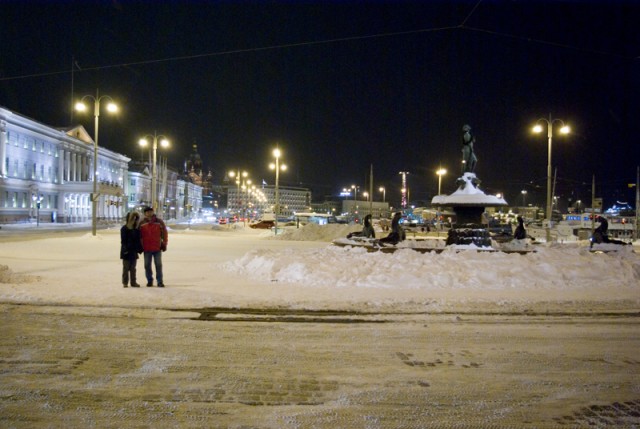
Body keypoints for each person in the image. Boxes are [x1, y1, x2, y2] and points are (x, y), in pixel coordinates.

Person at [140, 206, 168, 287]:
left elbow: (164, 233)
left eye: (150, 211)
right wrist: (139, 245)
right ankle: (149, 280)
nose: (149, 213)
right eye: (147, 212)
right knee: (147, 265)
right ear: (145, 213)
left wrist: (164, 243)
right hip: (146, 248)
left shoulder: (159, 222)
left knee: (158, 265)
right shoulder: (141, 223)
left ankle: (160, 281)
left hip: (157, 247)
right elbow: (139, 235)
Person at [120, 211, 143, 288]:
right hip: (126, 251)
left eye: (136, 219)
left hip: (133, 251)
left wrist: (139, 248)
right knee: (126, 268)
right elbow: (123, 241)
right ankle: (125, 282)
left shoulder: (136, 229)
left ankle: (133, 282)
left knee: (133, 268)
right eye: (133, 218)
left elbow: (138, 240)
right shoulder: (124, 228)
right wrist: (125, 249)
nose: (134, 220)